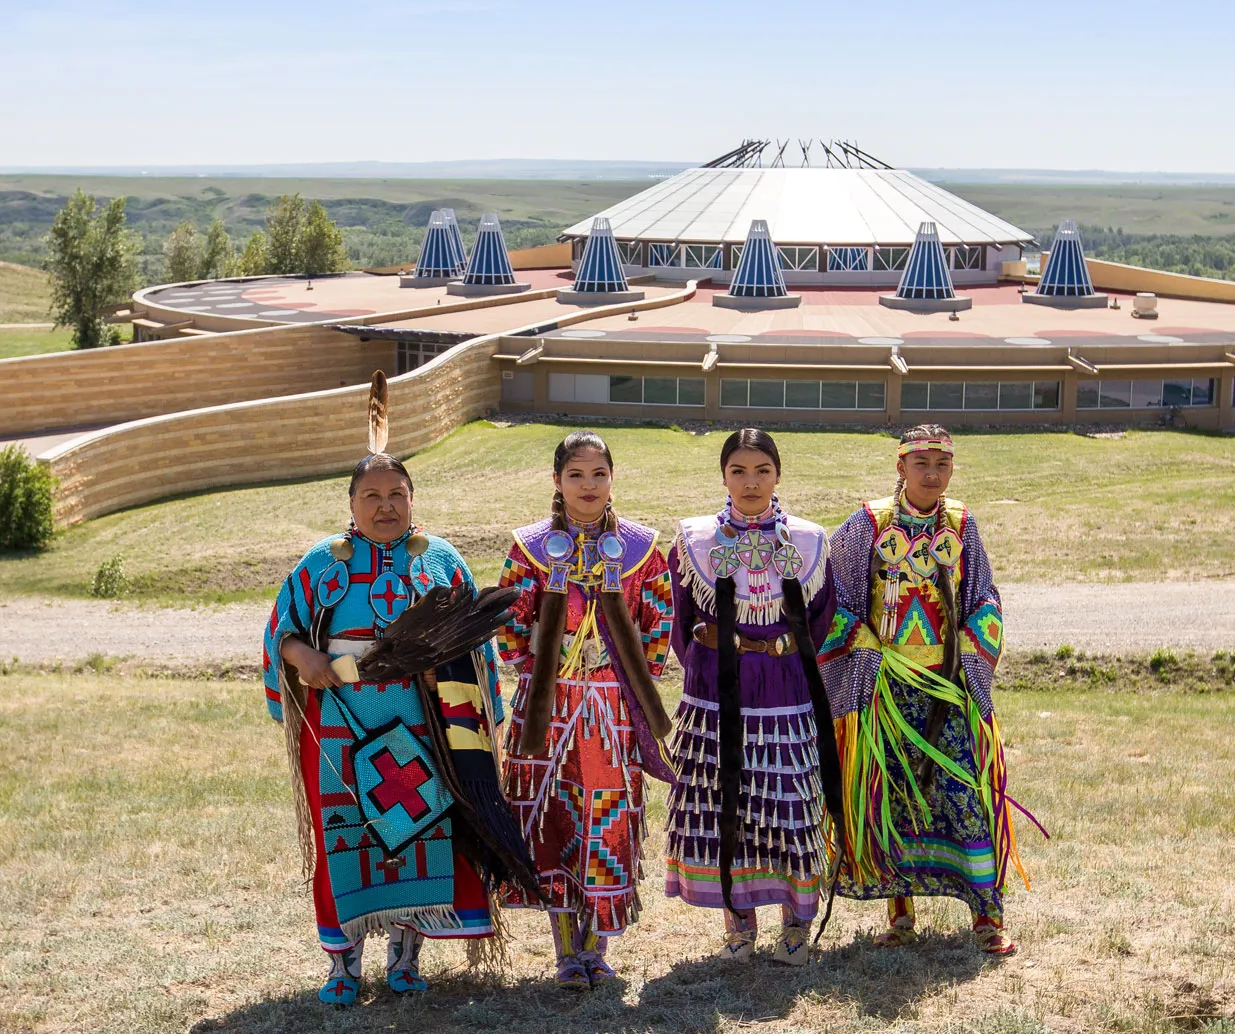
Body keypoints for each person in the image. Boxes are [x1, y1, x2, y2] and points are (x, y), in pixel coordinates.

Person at [262, 450, 512, 1004]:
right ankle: (343, 967)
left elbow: (476, 646)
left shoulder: (440, 561)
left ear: (412, 499)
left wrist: (472, 705)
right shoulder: (322, 565)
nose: (385, 506)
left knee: (416, 830)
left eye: (396, 494)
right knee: (344, 836)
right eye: (371, 496)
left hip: (419, 720)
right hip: (340, 721)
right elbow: (281, 628)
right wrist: (304, 657)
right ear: (351, 504)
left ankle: (405, 959)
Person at [821, 423, 1029, 956]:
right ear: (901, 467)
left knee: (966, 794)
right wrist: (868, 654)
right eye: (922, 464)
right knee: (893, 795)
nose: (932, 474)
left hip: (947, 686)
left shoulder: (962, 524)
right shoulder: (868, 524)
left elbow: (985, 599)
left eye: (942, 464)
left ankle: (987, 912)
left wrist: (967, 650)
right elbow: (834, 603)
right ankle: (900, 911)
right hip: (887, 691)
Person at [494, 431, 674, 989]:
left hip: (611, 705)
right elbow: (508, 626)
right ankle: (566, 951)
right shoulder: (529, 549)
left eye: (598, 474)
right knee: (553, 817)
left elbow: (658, 626)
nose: (588, 485)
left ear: (613, 478)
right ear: (556, 482)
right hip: (547, 705)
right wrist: (544, 665)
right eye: (576, 475)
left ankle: (597, 949)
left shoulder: (642, 550)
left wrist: (613, 672)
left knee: (606, 818)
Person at [664, 428, 844, 965]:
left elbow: (824, 615)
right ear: (723, 475)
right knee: (727, 802)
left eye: (761, 470)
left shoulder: (808, 540)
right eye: (738, 471)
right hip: (720, 690)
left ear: (778, 475)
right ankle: (738, 927)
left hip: (787, 689)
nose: (750, 482)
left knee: (789, 804)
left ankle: (796, 926)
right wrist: (712, 647)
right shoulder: (696, 541)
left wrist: (783, 646)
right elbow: (681, 619)